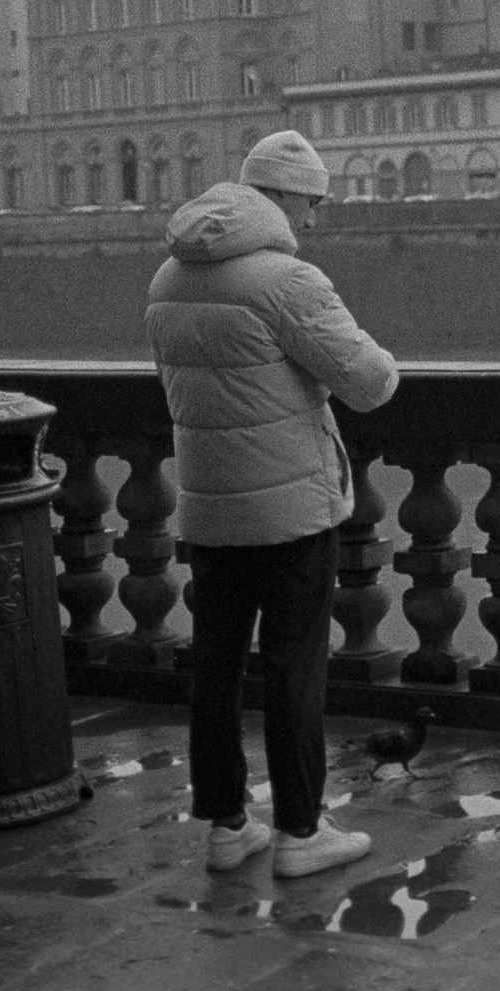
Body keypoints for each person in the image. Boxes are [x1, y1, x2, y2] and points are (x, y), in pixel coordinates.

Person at [145, 129, 395, 880]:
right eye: (312, 201)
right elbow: (371, 380)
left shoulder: (168, 276)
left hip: (209, 503)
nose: (314, 219)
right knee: (294, 666)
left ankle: (227, 823)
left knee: (216, 666)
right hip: (289, 507)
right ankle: (299, 829)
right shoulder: (287, 280)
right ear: (282, 195)